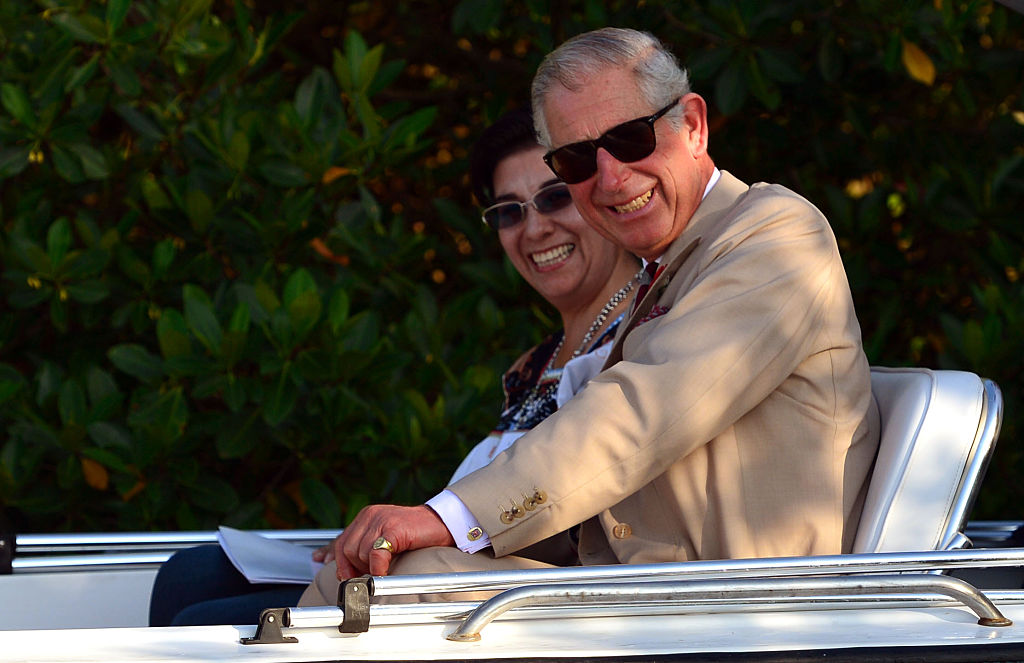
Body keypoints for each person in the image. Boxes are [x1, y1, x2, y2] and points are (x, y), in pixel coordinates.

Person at [299, 27, 880, 606]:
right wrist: (428, 529)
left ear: (694, 126)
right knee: (370, 575)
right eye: (576, 160)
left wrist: (453, 516)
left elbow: (640, 412)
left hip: (742, 613)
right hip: (654, 597)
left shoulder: (775, 233)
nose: (610, 177)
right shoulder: (670, 267)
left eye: (630, 138)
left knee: (403, 582)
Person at [148, 107, 641, 625]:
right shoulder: (535, 362)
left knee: (196, 621)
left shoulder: (633, 336)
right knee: (188, 573)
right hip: (452, 560)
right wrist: (389, 528)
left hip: (515, 593)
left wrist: (420, 532)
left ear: (595, 193)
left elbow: (575, 508)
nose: (535, 228)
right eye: (509, 211)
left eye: (554, 196)